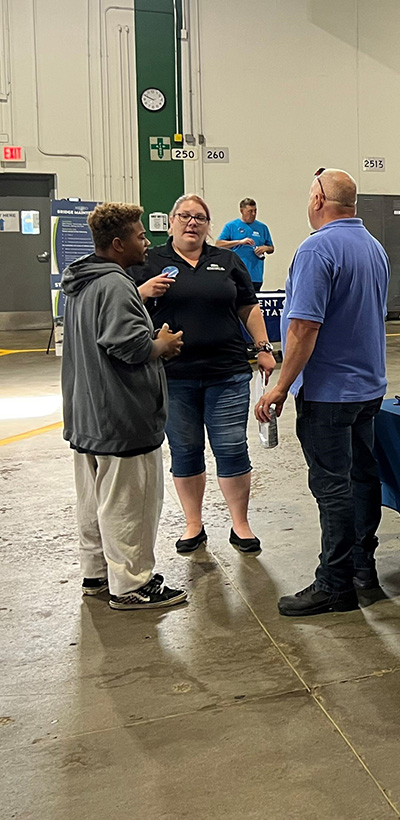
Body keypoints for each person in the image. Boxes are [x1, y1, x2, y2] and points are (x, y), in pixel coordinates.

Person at [255, 168, 389, 617]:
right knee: (363, 478)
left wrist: (280, 386)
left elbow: (303, 328)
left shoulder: (317, 249)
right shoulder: (373, 248)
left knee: (332, 488)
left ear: (317, 200)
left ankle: (334, 584)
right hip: (369, 389)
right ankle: (361, 568)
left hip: (330, 393)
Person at [132, 194, 276, 556]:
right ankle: (193, 524)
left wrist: (263, 346)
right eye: (184, 216)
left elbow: (248, 306)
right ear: (171, 220)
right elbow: (125, 306)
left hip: (226, 373)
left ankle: (240, 524)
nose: (192, 223)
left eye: (199, 217)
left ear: (209, 224)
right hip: (173, 375)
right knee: (185, 450)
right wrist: (142, 292)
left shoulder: (225, 260)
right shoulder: (150, 261)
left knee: (230, 448)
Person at [61, 202, 188, 610]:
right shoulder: (115, 285)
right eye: (138, 235)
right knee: (130, 503)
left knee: (94, 501)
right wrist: (162, 344)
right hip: (122, 417)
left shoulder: (82, 282)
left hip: (87, 417)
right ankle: (132, 584)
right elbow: (129, 346)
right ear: (118, 244)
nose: (145, 240)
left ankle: (97, 574)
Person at [216, 198, 274, 291]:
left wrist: (265, 248)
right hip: (236, 275)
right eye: (250, 211)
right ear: (242, 211)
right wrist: (240, 242)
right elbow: (219, 244)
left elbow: (271, 248)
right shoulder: (231, 226)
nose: (253, 214)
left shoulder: (262, 227)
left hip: (255, 276)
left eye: (255, 211)